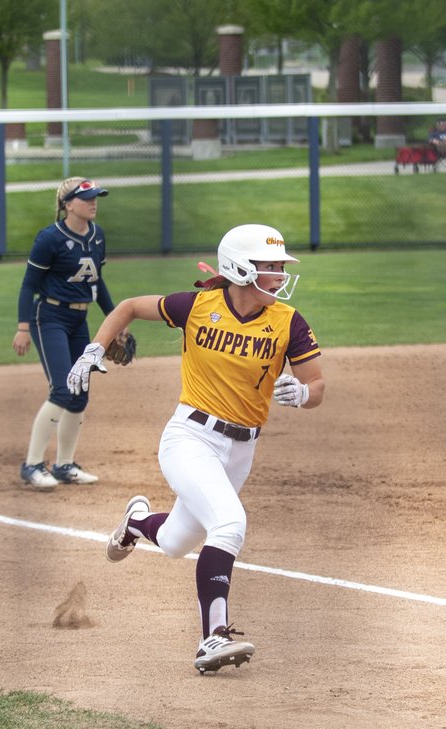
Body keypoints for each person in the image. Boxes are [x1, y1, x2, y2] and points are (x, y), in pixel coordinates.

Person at [67, 223, 325, 674]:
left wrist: (303, 394)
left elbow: (317, 383)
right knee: (229, 523)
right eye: (271, 267)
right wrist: (93, 350)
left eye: (281, 267)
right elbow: (128, 307)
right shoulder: (198, 306)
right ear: (241, 269)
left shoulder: (289, 321)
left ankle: (135, 522)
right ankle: (213, 638)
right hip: (190, 437)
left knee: (173, 542)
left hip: (241, 450)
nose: (280, 276)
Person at [13, 177, 123, 490]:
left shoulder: (97, 236)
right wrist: (23, 327)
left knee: (79, 391)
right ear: (67, 204)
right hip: (49, 317)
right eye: (86, 198)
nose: (94, 202)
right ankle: (32, 465)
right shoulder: (50, 238)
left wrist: (116, 320)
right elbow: (29, 284)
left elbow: (97, 283)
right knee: (62, 389)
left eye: (96, 197)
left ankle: (64, 465)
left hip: (79, 319)